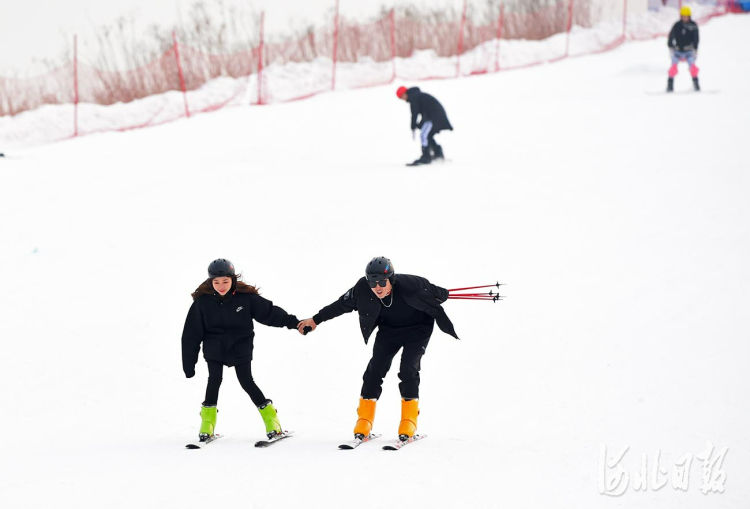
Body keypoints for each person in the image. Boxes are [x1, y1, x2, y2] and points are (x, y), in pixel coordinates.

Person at [297, 257, 458, 442]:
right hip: (389, 331)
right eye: (373, 282)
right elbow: (341, 305)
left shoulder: (412, 285)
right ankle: (364, 421)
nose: (378, 287)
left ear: (391, 279)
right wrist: (316, 320)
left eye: (382, 281)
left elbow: (433, 291)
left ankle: (409, 422)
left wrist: (441, 293)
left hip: (418, 329)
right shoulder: (362, 289)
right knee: (375, 370)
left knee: (408, 369)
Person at [181, 258, 301, 443]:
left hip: (240, 346)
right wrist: (189, 364)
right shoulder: (202, 303)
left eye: (225, 281)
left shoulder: (245, 299)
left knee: (246, 381)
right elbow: (191, 334)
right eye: (216, 282)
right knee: (214, 381)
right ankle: (207, 426)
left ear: (233, 280)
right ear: (210, 282)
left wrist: (294, 323)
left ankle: (272, 422)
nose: (221, 286)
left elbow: (270, 313)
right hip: (214, 348)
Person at [397, 86, 453, 166]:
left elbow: (414, 113)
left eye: (401, 97)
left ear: (404, 93)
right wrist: (419, 124)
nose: (402, 99)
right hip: (435, 115)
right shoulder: (417, 95)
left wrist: (413, 126)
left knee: (424, 135)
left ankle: (426, 157)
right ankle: (438, 154)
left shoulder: (413, 97)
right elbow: (423, 111)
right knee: (428, 135)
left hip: (434, 116)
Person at [667, 5, 700, 92]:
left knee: (693, 67)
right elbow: (671, 36)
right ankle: (670, 85)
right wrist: (670, 46)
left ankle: (696, 84)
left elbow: (696, 38)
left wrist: (695, 49)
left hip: (689, 51)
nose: (685, 18)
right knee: (673, 68)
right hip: (677, 51)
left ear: (689, 16)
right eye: (683, 16)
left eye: (687, 16)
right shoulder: (677, 25)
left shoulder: (693, 25)